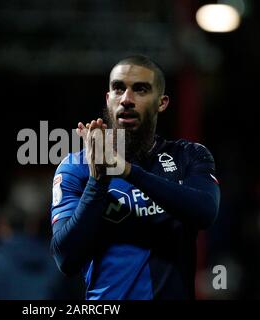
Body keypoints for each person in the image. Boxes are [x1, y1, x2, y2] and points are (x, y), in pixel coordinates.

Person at [50, 55, 221, 300]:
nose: (127, 99)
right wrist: (98, 180)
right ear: (108, 100)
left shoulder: (188, 156)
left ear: (161, 103)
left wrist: (128, 171)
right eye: (118, 89)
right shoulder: (76, 168)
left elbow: (205, 212)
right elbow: (66, 259)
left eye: (140, 89)